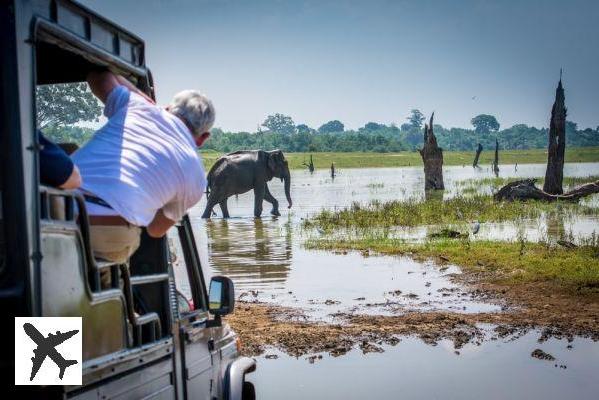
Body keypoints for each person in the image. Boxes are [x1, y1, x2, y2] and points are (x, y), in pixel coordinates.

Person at [72, 70, 214, 265]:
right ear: (203, 138)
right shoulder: (196, 175)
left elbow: (99, 76)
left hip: (52, 208)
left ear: (168, 108)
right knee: (117, 270)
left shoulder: (138, 106)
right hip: (108, 231)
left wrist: (147, 102)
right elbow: (155, 230)